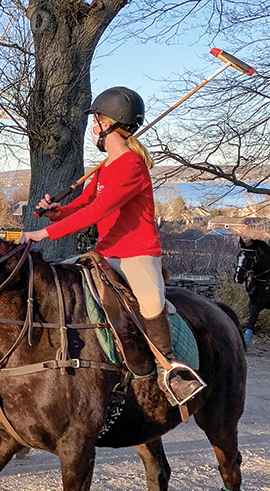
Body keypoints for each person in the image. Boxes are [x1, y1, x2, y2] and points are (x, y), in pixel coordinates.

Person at [20, 86, 205, 404]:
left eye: (96, 121)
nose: (93, 127)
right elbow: (84, 203)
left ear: (109, 124)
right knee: (60, 281)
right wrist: (56, 213)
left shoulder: (132, 165)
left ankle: (171, 371)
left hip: (137, 253)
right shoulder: (105, 167)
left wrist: (43, 233)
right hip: (105, 251)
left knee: (150, 302)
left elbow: (99, 211)